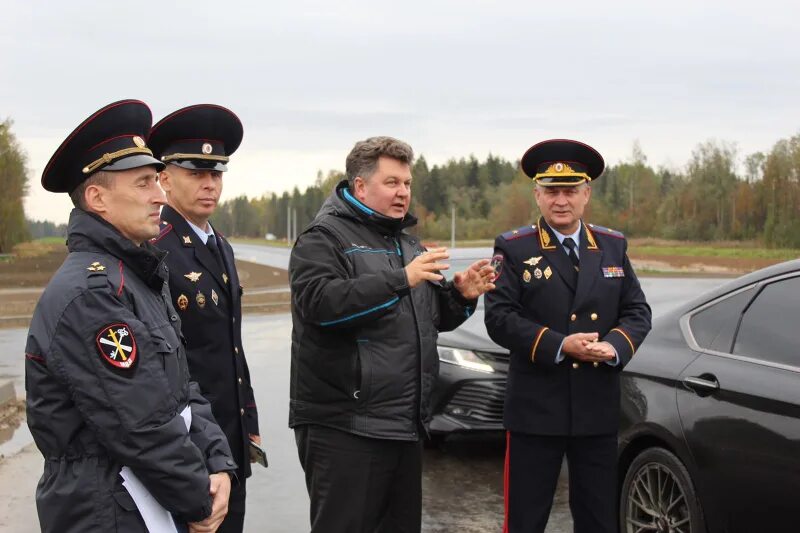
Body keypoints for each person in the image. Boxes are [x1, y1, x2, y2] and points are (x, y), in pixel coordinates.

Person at [24, 100, 236, 533]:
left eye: (157, 181)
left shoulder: (135, 278)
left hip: (145, 506)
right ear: (97, 197)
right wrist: (199, 498)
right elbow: (141, 425)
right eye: (143, 184)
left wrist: (218, 460)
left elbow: (182, 388)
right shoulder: (92, 295)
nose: (160, 195)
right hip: (106, 513)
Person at [289, 136, 495, 533]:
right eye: (392, 182)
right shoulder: (323, 238)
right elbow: (320, 305)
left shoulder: (406, 242)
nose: (403, 193)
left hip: (403, 424)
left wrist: (460, 296)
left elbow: (424, 318)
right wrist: (401, 279)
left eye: (407, 183)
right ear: (360, 186)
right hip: (346, 426)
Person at [484, 139, 652, 533]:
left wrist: (614, 346)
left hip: (596, 410)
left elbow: (637, 311)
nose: (561, 201)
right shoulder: (514, 247)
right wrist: (560, 345)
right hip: (536, 412)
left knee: (599, 519)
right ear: (537, 195)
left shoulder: (611, 245)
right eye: (552, 191)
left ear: (586, 194)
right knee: (525, 520)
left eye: (571, 191)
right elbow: (499, 318)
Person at [148, 104, 259, 533]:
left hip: (229, 438)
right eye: (196, 173)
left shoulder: (220, 246)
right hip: (188, 443)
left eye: (216, 174)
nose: (209, 184)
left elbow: (231, 344)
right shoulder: (156, 249)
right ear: (165, 178)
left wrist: (247, 419)